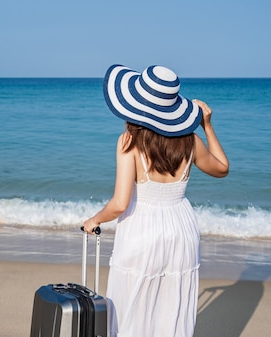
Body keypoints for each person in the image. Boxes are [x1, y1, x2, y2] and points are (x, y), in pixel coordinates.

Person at [83, 64, 229, 337]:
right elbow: (222, 168)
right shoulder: (191, 141)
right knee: (171, 310)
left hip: (142, 229)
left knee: (131, 309)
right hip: (181, 230)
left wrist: (94, 220)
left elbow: (120, 203)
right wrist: (207, 127)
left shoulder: (129, 142)